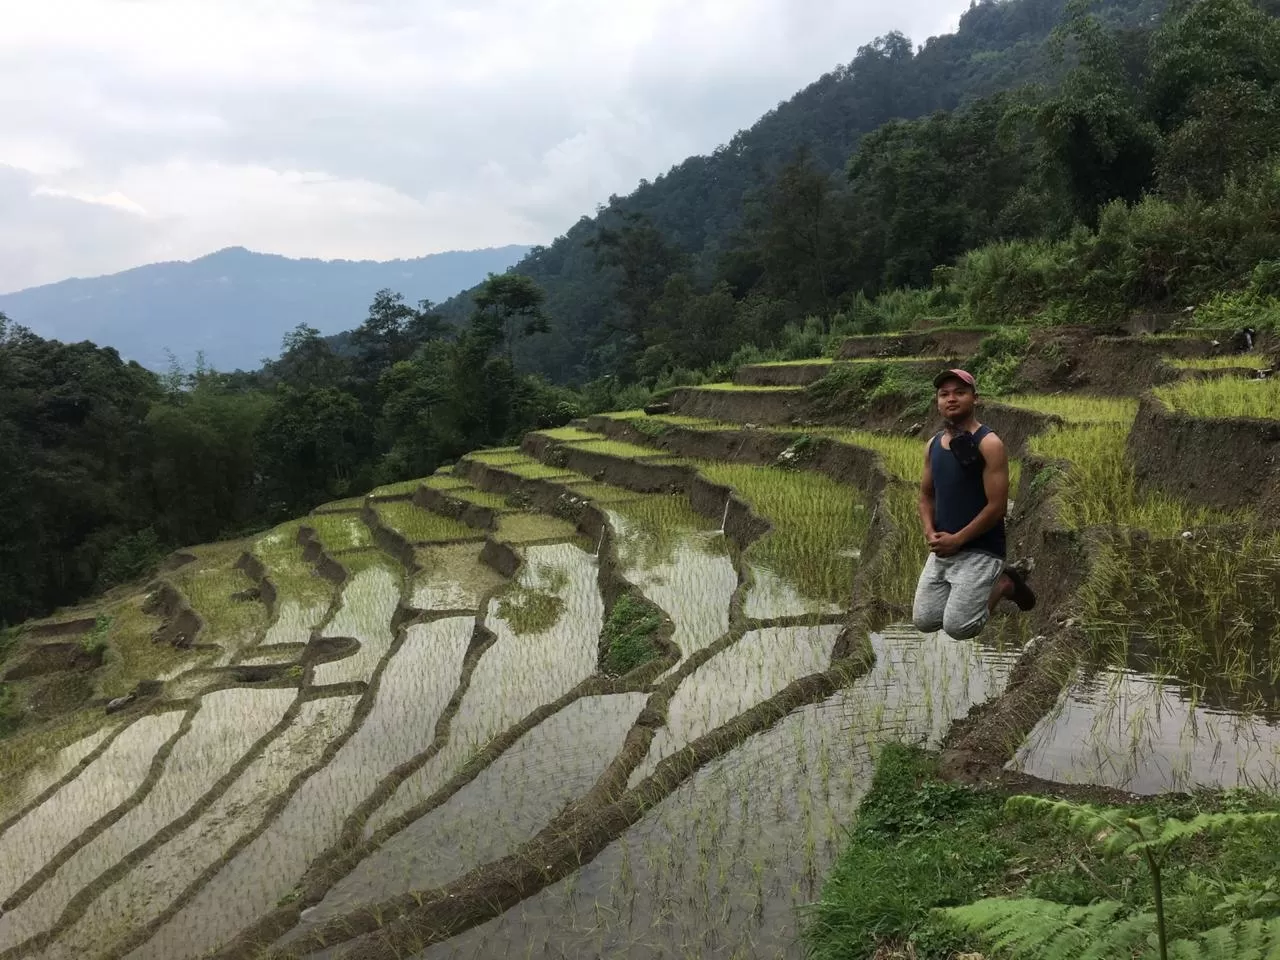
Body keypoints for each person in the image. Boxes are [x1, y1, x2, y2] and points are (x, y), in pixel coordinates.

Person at [912, 368, 1036, 640]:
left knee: (959, 628)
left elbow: (997, 508)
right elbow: (925, 496)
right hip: (943, 549)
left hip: (981, 549)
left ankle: (1004, 584)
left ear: (975, 398)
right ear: (937, 401)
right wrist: (930, 532)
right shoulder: (933, 445)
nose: (951, 399)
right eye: (944, 394)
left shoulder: (989, 443)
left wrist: (957, 540)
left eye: (960, 392)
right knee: (924, 620)